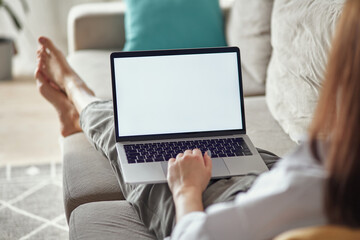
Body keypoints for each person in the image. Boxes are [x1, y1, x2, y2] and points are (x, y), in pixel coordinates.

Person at [35, 0, 360, 238]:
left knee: (127, 137)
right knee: (224, 145)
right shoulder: (322, 168)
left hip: (227, 202)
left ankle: (77, 93)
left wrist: (186, 189)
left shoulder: (313, 183)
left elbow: (192, 235)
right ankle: (79, 112)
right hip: (274, 179)